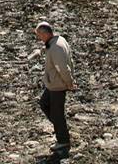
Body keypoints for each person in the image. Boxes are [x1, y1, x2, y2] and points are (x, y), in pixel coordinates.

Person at [35, 21, 75, 159]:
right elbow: (50, 49)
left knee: (57, 114)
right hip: (53, 84)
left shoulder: (56, 48)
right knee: (44, 104)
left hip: (57, 85)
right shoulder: (57, 40)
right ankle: (61, 129)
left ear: (46, 33)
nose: (39, 38)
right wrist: (41, 51)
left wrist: (69, 83)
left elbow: (62, 68)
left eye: (39, 35)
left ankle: (63, 140)